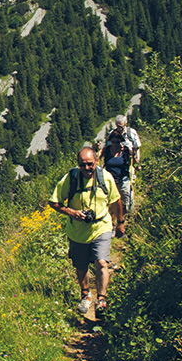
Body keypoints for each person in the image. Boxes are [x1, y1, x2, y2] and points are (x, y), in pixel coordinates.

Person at [48, 147, 125, 317]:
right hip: (78, 232)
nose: (87, 168)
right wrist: (71, 212)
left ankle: (102, 299)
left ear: (97, 162)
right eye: (83, 165)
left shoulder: (105, 177)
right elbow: (54, 202)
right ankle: (85, 295)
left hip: (101, 226)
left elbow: (116, 200)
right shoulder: (71, 178)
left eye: (90, 164)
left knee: (102, 262)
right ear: (78, 165)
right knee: (81, 266)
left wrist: (120, 222)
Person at [101, 128, 133, 214]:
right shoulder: (106, 150)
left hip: (123, 179)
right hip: (110, 180)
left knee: (124, 200)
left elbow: (133, 161)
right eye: (113, 142)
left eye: (117, 142)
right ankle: (113, 221)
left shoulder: (125, 151)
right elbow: (96, 157)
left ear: (121, 141)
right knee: (111, 203)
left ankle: (124, 219)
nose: (115, 144)